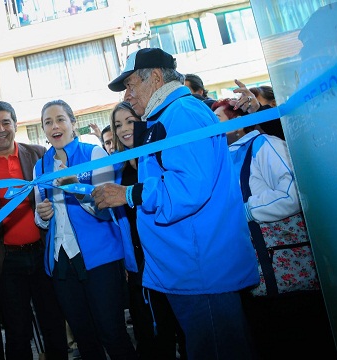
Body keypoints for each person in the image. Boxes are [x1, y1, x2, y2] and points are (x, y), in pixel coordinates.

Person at [94, 48, 259, 360]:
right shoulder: (168, 116)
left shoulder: (181, 114)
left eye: (131, 85)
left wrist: (128, 194)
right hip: (190, 267)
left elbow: (190, 186)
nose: (127, 96)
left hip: (200, 269)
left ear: (156, 78)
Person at [212, 98, 336, 359]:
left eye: (218, 120)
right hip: (255, 280)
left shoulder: (264, 145)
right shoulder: (224, 159)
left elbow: (294, 193)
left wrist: (245, 209)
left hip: (286, 274)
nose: (213, 128)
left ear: (237, 122)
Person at [0, 101, 68, 360]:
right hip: (3, 261)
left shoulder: (39, 154)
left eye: (5, 122)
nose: (0, 129)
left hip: (42, 255)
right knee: (17, 331)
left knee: (53, 324)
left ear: (15, 124)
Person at [33, 99, 137, 359]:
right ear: (43, 130)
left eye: (60, 119)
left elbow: (106, 207)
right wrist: (42, 216)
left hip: (100, 258)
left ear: (72, 123)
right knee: (83, 337)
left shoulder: (94, 154)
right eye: (48, 122)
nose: (55, 126)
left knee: (111, 332)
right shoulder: (40, 166)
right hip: (60, 263)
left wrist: (76, 190)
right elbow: (41, 216)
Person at [110, 101, 184, 359]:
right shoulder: (117, 171)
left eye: (130, 121)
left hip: (167, 255)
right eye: (118, 125)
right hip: (138, 262)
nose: (123, 129)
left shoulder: (157, 158)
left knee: (179, 324)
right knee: (149, 328)